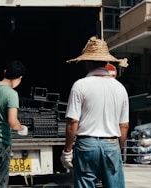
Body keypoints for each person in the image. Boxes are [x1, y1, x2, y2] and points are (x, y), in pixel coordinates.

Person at [60, 36, 129, 188]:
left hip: (87, 144)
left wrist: (67, 151)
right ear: (106, 63)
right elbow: (123, 126)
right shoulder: (120, 88)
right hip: (111, 143)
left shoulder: (80, 85)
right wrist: (118, 149)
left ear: (87, 62)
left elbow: (73, 122)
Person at [0, 60, 28, 188]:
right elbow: (13, 122)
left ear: (5, 72)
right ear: (19, 78)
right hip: (1, 142)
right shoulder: (11, 94)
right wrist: (22, 128)